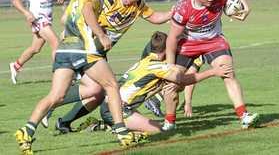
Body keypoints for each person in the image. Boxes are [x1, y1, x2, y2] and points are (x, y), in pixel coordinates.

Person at [14, 0, 138, 155]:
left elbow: (64, 19)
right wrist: (101, 35)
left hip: (64, 49)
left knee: (56, 96)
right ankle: (122, 132)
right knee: (112, 86)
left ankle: (26, 131)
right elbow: (88, 11)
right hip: (84, 49)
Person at [41, 0, 173, 132]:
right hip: (83, 50)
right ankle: (52, 103)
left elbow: (155, 17)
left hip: (98, 53)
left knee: (98, 94)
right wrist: (89, 33)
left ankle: (63, 121)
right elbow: (82, 12)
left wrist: (172, 13)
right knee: (98, 90)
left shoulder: (137, 5)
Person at [67, 31, 233, 134]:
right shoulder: (157, 67)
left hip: (111, 104)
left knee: (158, 128)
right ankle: (108, 126)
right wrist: (213, 72)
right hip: (118, 109)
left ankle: (107, 125)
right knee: (160, 132)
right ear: (165, 50)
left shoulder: (146, 61)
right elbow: (183, 79)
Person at [164, 0, 259, 130]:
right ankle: (169, 122)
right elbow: (172, 39)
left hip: (213, 41)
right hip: (188, 43)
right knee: (172, 83)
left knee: (228, 71)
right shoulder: (184, 7)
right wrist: (169, 67)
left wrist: (246, 6)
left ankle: (244, 116)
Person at [10, 0, 64, 84]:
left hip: (48, 19)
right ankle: (60, 75)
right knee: (56, 43)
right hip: (38, 20)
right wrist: (27, 13)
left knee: (36, 48)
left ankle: (16, 65)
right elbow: (16, 1)